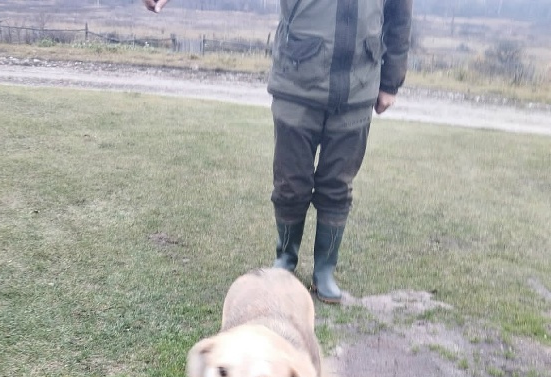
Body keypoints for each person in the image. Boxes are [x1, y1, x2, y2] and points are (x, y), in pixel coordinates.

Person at [142, 1, 413, 304]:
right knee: (290, 183)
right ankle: (285, 261)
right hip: (297, 78)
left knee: (337, 185)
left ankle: (325, 272)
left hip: (358, 85)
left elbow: (399, 18)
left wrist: (391, 81)